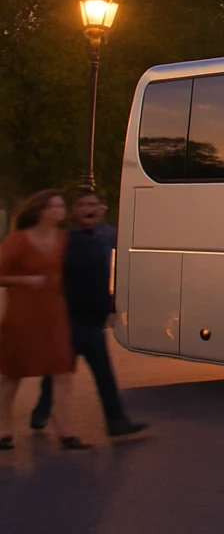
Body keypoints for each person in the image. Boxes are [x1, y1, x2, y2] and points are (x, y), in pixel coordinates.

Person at [29, 190, 148, 438]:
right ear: (74, 212)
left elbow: (119, 270)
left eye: (93, 204)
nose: (88, 209)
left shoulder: (109, 236)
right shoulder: (63, 240)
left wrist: (111, 307)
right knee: (57, 372)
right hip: (67, 319)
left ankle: (116, 421)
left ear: (101, 208)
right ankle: (41, 411)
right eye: (82, 205)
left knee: (103, 374)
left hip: (93, 320)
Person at [0, 190, 87, 451]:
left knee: (62, 372)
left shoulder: (62, 239)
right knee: (12, 374)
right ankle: (3, 430)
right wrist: (25, 280)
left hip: (54, 316)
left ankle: (65, 432)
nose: (60, 211)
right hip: (22, 316)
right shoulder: (18, 240)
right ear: (40, 210)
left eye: (62, 207)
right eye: (54, 207)